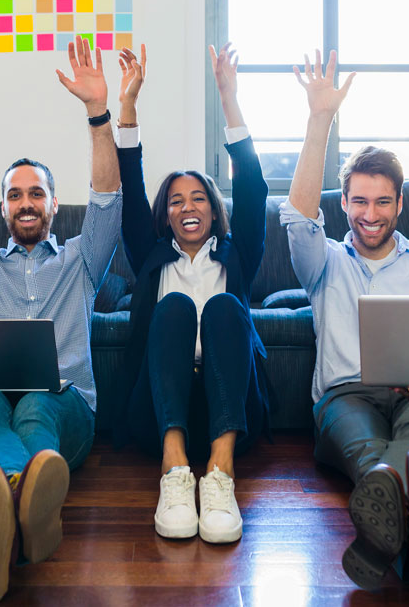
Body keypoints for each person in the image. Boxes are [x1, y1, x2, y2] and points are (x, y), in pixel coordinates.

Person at [280, 49, 409, 605]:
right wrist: (319, 118)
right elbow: (297, 218)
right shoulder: (323, 261)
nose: (369, 214)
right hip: (345, 396)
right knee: (367, 447)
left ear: (401, 204)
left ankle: (392, 525)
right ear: (343, 201)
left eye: (382, 202)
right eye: (357, 201)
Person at [0, 38, 121, 602]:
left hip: (64, 406)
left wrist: (97, 115)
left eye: (37, 193)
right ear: (4, 207)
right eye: (15, 195)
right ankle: (25, 496)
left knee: (38, 400)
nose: (26, 202)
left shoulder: (83, 259)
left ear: (55, 205)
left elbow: (109, 197)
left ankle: (2, 504)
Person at [114, 43, 270, 544]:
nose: (188, 206)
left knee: (225, 306)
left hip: (230, 406)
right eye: (176, 200)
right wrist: (129, 106)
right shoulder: (151, 254)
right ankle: (176, 473)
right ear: (165, 216)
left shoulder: (238, 253)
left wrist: (229, 98)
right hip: (161, 409)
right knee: (177, 305)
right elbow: (131, 188)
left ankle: (220, 475)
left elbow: (255, 191)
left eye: (198, 197)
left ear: (213, 208)